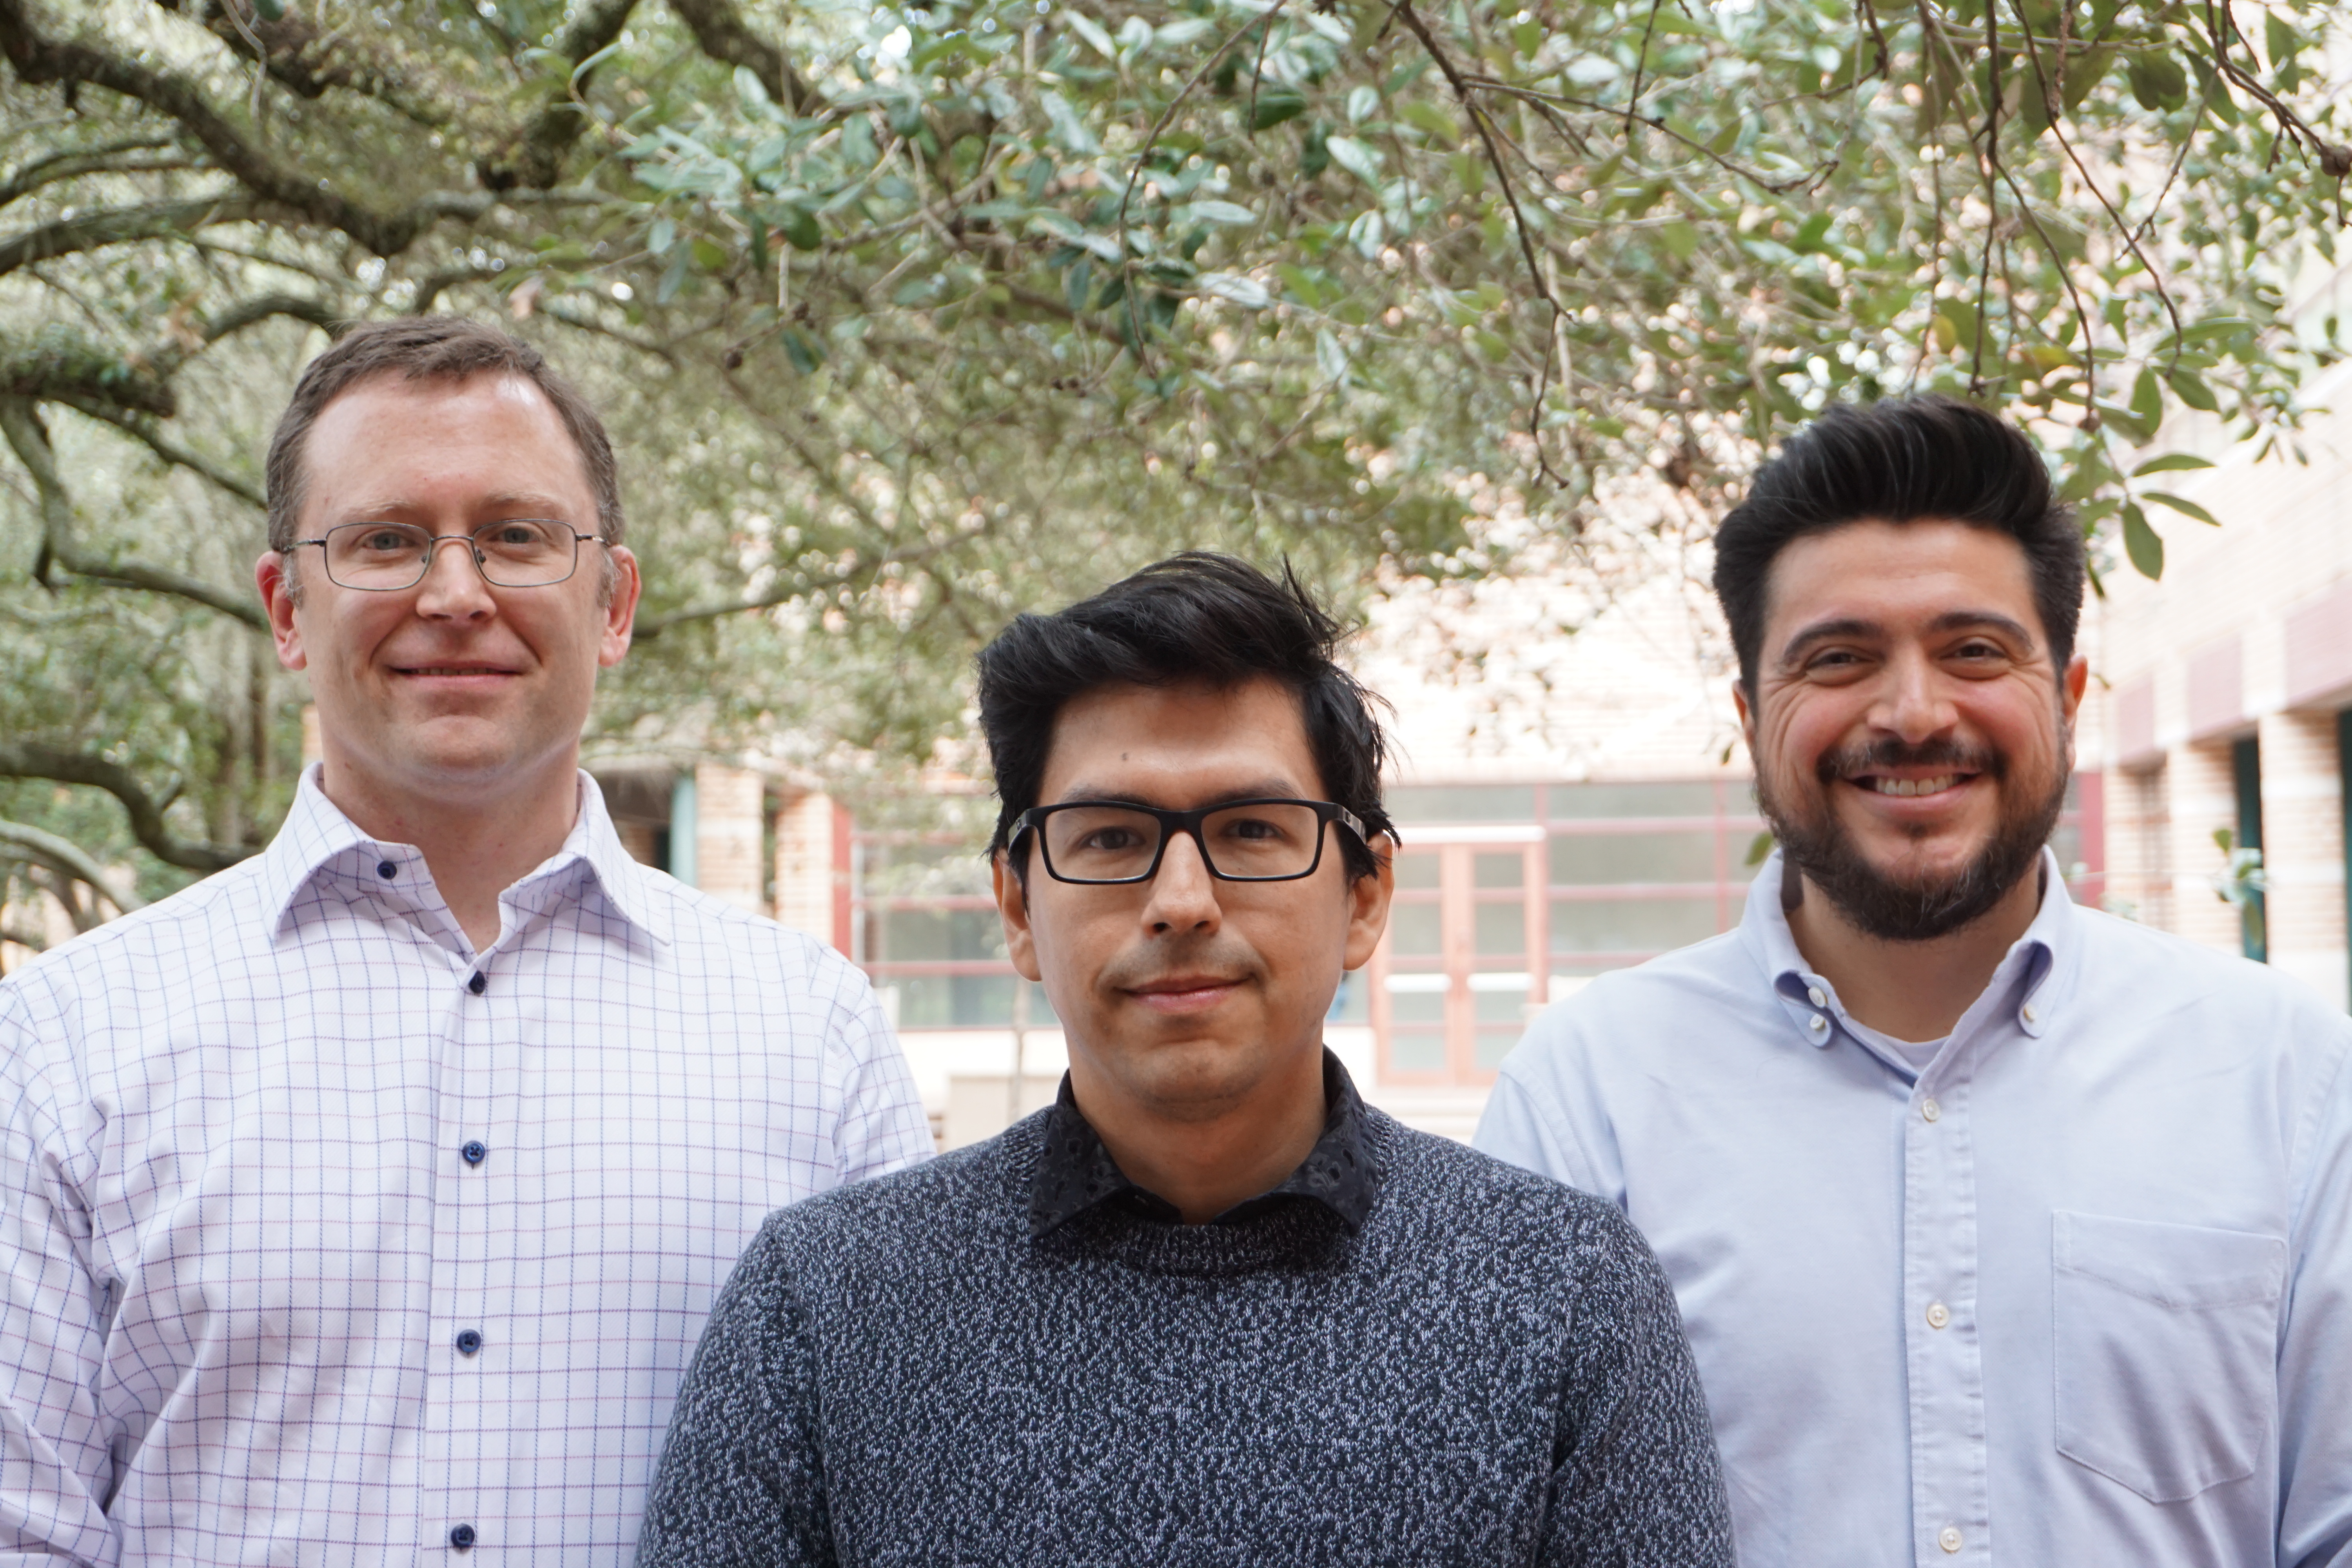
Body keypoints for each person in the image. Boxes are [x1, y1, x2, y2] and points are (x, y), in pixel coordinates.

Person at [0, 317, 932, 1564]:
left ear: (612, 604)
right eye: (387, 541)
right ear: (286, 607)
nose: (454, 594)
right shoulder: (66, 1046)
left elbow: (895, 1513)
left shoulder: (812, 1038)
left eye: (516, 537)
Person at [634, 554, 1735, 1566]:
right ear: (1018, 906)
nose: (1180, 902)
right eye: (1110, 838)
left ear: (1365, 897)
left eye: (1253, 830)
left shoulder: (1567, 1294)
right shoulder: (827, 1303)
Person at [1476, 395, 2352, 1566]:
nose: (1913, 713)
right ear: (1751, 717)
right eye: (1838, 659)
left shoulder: (2290, 1079)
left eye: (1974, 650)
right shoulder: (1586, 1097)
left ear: (2070, 697)